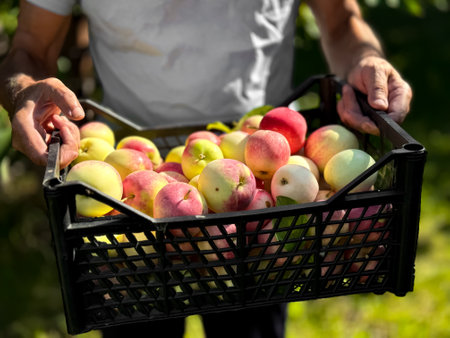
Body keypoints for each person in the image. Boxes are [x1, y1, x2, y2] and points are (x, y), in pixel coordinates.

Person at [0, 0, 412, 337]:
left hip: (263, 200)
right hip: (126, 204)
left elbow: (341, 21)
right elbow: (31, 46)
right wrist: (22, 92)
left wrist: (366, 57)